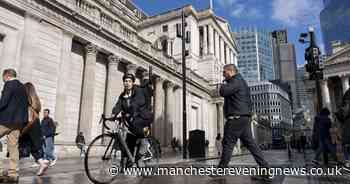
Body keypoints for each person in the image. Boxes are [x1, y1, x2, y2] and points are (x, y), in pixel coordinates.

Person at [214, 64, 271, 181]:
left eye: (224, 72)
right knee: (251, 145)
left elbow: (223, 91)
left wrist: (221, 85)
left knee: (228, 143)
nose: (223, 75)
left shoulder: (236, 81)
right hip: (244, 118)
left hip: (236, 118)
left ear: (230, 71)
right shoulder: (241, 81)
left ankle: (220, 170)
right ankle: (266, 170)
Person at [111, 73, 153, 167]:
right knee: (129, 141)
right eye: (125, 81)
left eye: (129, 81)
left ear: (133, 83)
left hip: (143, 118)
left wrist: (130, 111)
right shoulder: (122, 96)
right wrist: (113, 114)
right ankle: (127, 163)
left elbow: (139, 102)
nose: (127, 83)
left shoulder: (138, 91)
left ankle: (140, 158)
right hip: (132, 122)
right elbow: (118, 106)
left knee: (142, 138)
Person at [0, 69, 28, 183]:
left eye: (3, 77)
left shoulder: (9, 84)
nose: (2, 80)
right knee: (13, 146)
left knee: (12, 146)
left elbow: (4, 102)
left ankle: (0, 171)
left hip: (6, 120)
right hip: (18, 122)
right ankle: (13, 174)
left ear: (7, 76)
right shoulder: (22, 87)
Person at [19, 82, 49, 176]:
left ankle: (13, 169)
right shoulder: (36, 101)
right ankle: (42, 163)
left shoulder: (26, 100)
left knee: (17, 146)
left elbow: (25, 115)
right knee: (33, 148)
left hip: (28, 125)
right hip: (35, 126)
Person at [335, 88, 350, 171]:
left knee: (346, 144)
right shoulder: (347, 95)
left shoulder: (346, 94)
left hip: (346, 124)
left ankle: (347, 162)